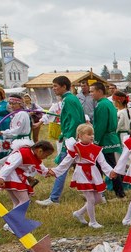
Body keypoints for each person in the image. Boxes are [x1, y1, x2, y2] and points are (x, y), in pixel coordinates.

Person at [52, 123, 115, 229]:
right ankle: (93, 222)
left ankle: (79, 213)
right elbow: (66, 162)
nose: (92, 136)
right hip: (82, 174)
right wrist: (56, 171)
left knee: (99, 199)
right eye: (88, 134)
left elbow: (103, 163)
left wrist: (110, 172)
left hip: (94, 173)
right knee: (90, 199)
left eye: (92, 134)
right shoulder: (75, 148)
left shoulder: (96, 149)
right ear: (80, 136)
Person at [38, 75, 85, 206]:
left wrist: (68, 138)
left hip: (71, 140)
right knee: (84, 166)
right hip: (72, 138)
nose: (54, 89)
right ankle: (98, 193)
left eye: (55, 86)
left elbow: (75, 120)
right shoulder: (68, 99)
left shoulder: (69, 100)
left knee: (61, 168)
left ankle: (54, 198)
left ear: (64, 86)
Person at [0, 140, 56, 207]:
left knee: (17, 202)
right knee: (24, 201)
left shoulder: (32, 155)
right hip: (12, 177)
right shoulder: (22, 153)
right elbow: (9, 165)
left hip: (14, 177)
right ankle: (12, 217)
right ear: (40, 151)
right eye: (46, 155)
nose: (46, 157)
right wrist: (1, 177)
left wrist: (47, 171)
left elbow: (39, 165)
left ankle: (14, 217)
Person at [90, 81, 123, 199]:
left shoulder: (101, 105)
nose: (91, 94)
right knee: (102, 166)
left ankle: (119, 192)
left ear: (99, 91)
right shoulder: (108, 103)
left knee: (109, 167)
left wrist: (96, 141)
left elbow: (100, 125)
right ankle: (99, 191)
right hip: (110, 137)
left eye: (92, 91)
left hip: (105, 140)